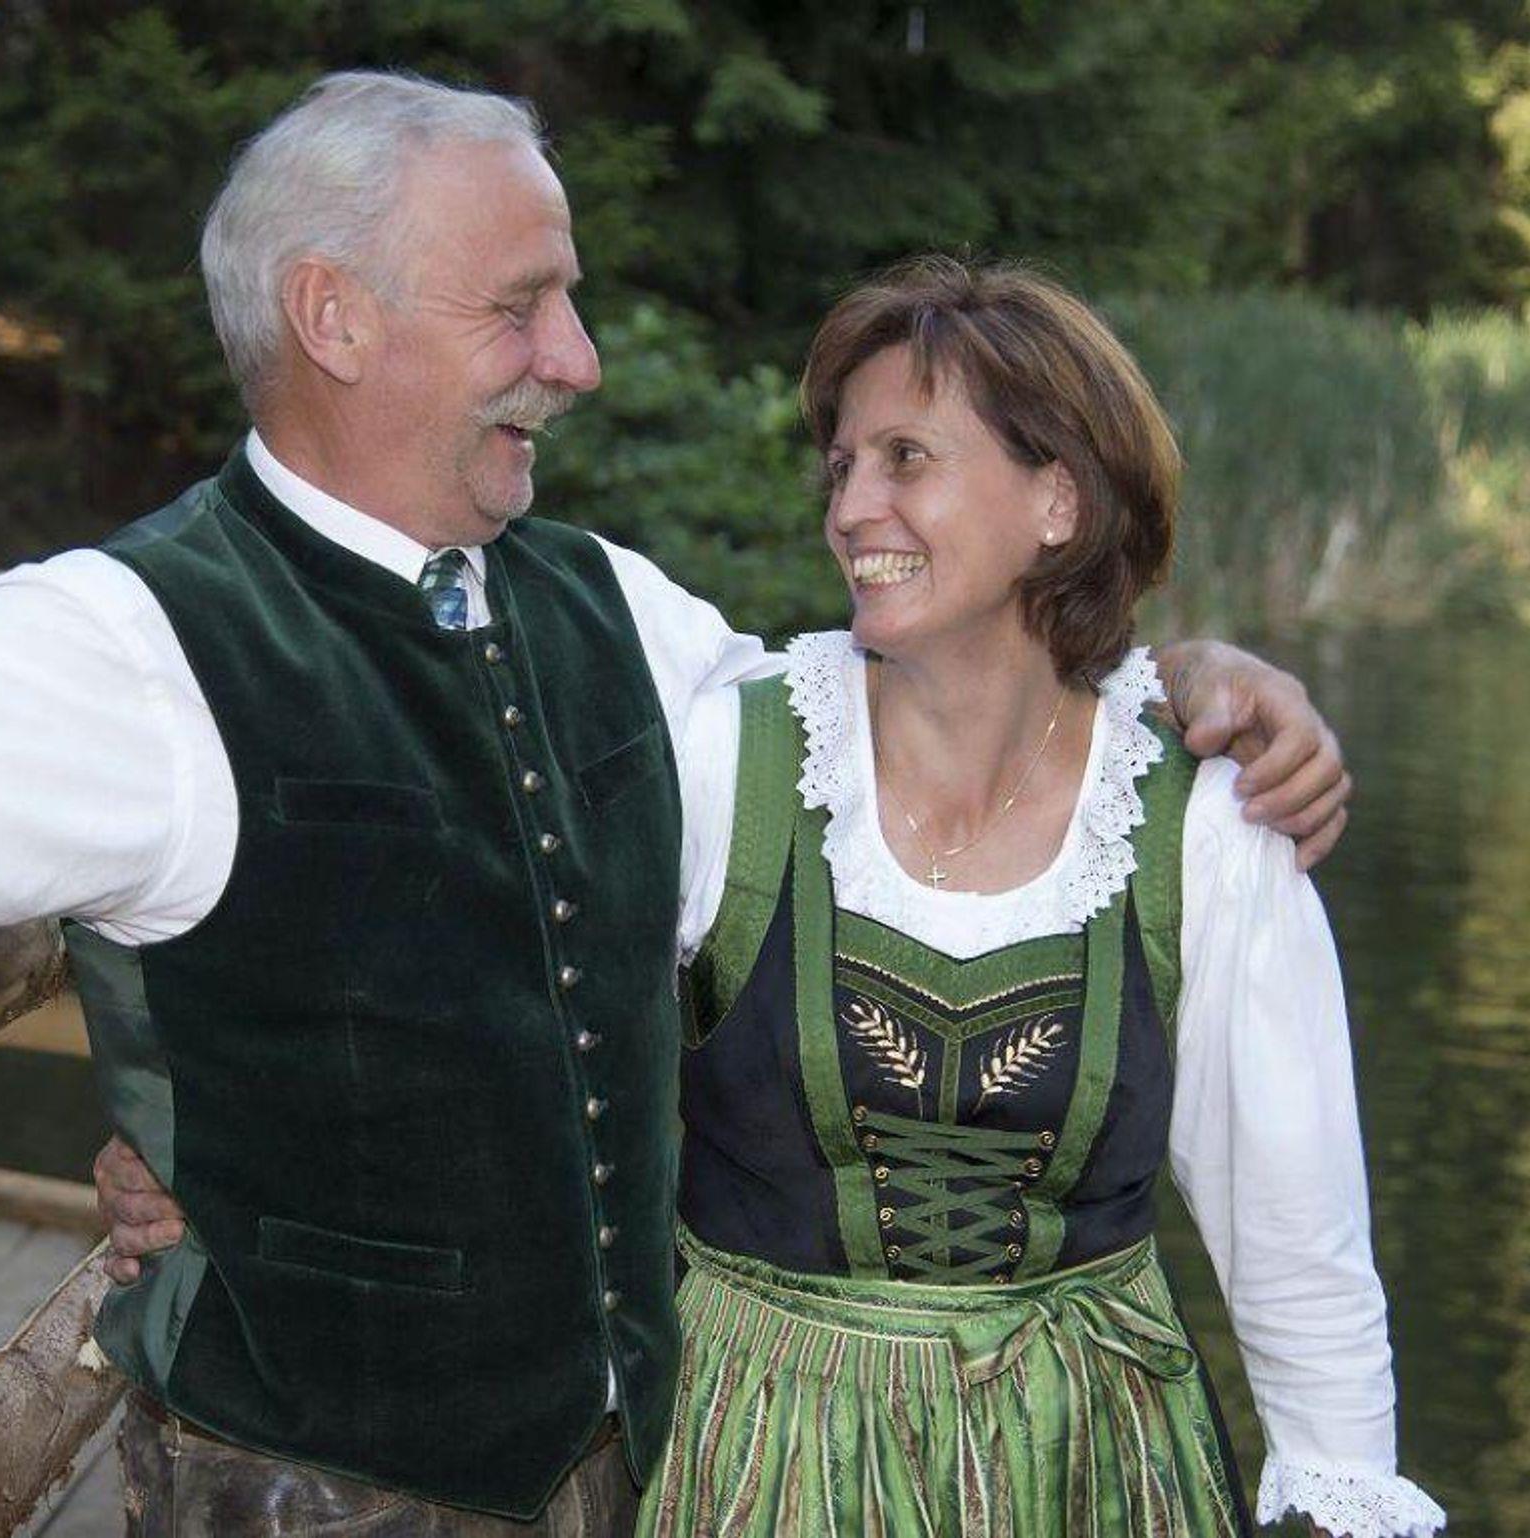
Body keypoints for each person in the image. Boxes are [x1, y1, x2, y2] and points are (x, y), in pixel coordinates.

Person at [0, 76, 1349, 1537]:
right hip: (313, 1493)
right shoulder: (128, 643)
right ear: (337, 319)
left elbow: (919, 714)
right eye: (526, 306)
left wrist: (1184, 679)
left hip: (641, 1470)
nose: (580, 359)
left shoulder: (622, 613)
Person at [99, 258, 1441, 1538]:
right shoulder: (727, 757)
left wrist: (1340, 1495)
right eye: (843, 464)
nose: (852, 508)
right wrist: (224, 1146)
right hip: (759, 1452)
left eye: (907, 457)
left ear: (1060, 500)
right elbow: (479, 1002)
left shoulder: (1205, 824)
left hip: (1084, 1460)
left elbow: (1297, 1251)